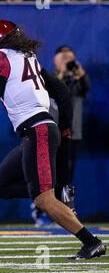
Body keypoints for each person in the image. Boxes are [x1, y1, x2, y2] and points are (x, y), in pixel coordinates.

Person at [0, 20, 105, 260]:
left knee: (43, 200)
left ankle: (91, 242)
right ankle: (54, 194)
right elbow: (60, 89)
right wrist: (65, 127)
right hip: (39, 130)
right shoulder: (27, 57)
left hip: (37, 130)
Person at [31, 45, 91, 226]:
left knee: (66, 176)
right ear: (55, 59)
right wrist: (62, 74)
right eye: (62, 57)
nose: (66, 60)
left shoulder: (76, 81)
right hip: (51, 132)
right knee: (47, 175)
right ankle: (40, 212)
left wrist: (79, 73)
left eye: (69, 57)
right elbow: (50, 91)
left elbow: (86, 87)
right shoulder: (48, 77)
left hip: (72, 133)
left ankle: (65, 213)